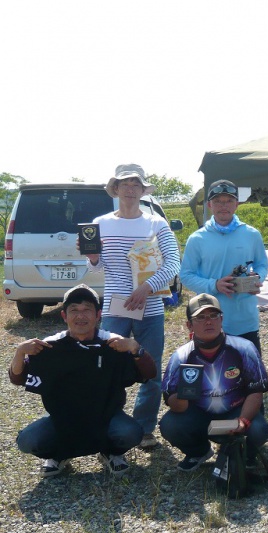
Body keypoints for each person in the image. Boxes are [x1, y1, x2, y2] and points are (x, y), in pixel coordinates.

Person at [11, 285, 156, 477]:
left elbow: (149, 374)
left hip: (107, 417)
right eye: (74, 310)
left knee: (131, 433)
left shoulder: (113, 344)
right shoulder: (50, 346)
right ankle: (57, 456)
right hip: (61, 419)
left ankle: (111, 453)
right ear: (64, 316)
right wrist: (20, 351)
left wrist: (135, 347)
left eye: (87, 309)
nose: (81, 316)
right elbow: (18, 378)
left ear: (98, 315)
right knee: (27, 441)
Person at [86, 164, 181, 449]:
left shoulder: (156, 224)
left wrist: (147, 288)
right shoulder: (99, 223)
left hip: (150, 307)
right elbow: (94, 270)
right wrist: (91, 259)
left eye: (135, 184)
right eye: (124, 183)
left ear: (143, 190)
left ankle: (144, 428)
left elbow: (174, 262)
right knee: (107, 367)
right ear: (115, 189)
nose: (129, 189)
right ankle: (110, 423)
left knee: (150, 369)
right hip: (115, 307)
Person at [160, 294, 268, 472]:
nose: (208, 322)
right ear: (189, 325)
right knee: (170, 425)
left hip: (236, 411)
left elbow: (256, 391)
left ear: (222, 319)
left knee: (258, 428)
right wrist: (184, 395)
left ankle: (246, 454)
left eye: (214, 316)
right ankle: (199, 452)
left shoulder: (244, 348)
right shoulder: (181, 356)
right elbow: (172, 402)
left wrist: (243, 420)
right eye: (201, 317)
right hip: (199, 414)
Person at [180, 179, 268, 354]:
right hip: (210, 322)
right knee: (213, 375)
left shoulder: (251, 234)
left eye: (228, 201)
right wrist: (214, 285)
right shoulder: (197, 239)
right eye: (218, 201)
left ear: (236, 204)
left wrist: (257, 278)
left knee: (250, 374)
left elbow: (262, 264)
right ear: (209, 205)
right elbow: (186, 275)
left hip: (246, 320)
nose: (223, 206)